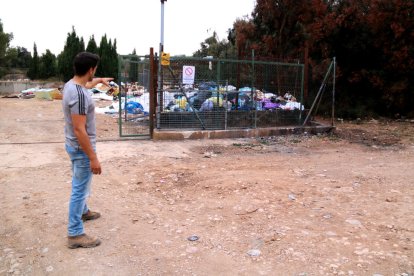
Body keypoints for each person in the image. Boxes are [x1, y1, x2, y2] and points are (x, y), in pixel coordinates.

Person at [62, 52, 113, 249]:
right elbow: (79, 129)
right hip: (81, 148)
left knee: (80, 183)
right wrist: (93, 157)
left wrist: (100, 80)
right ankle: (75, 233)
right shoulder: (80, 95)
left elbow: (87, 85)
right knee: (79, 188)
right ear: (90, 69)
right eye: (95, 70)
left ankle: (83, 212)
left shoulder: (71, 85)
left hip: (73, 145)